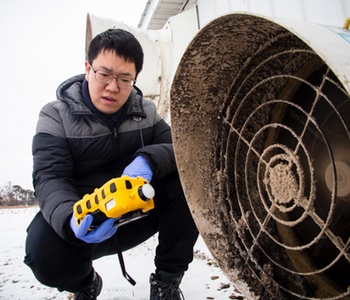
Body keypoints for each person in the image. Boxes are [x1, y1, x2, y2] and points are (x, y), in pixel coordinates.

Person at [24, 28, 198, 300]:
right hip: (89, 222)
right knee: (42, 251)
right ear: (87, 69)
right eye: (104, 74)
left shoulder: (146, 112)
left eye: (124, 78)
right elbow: (49, 177)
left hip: (137, 214)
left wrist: (148, 160)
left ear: (135, 78)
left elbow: (180, 149)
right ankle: (86, 283)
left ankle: (167, 281)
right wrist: (71, 219)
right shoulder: (54, 116)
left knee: (187, 182)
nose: (113, 87)